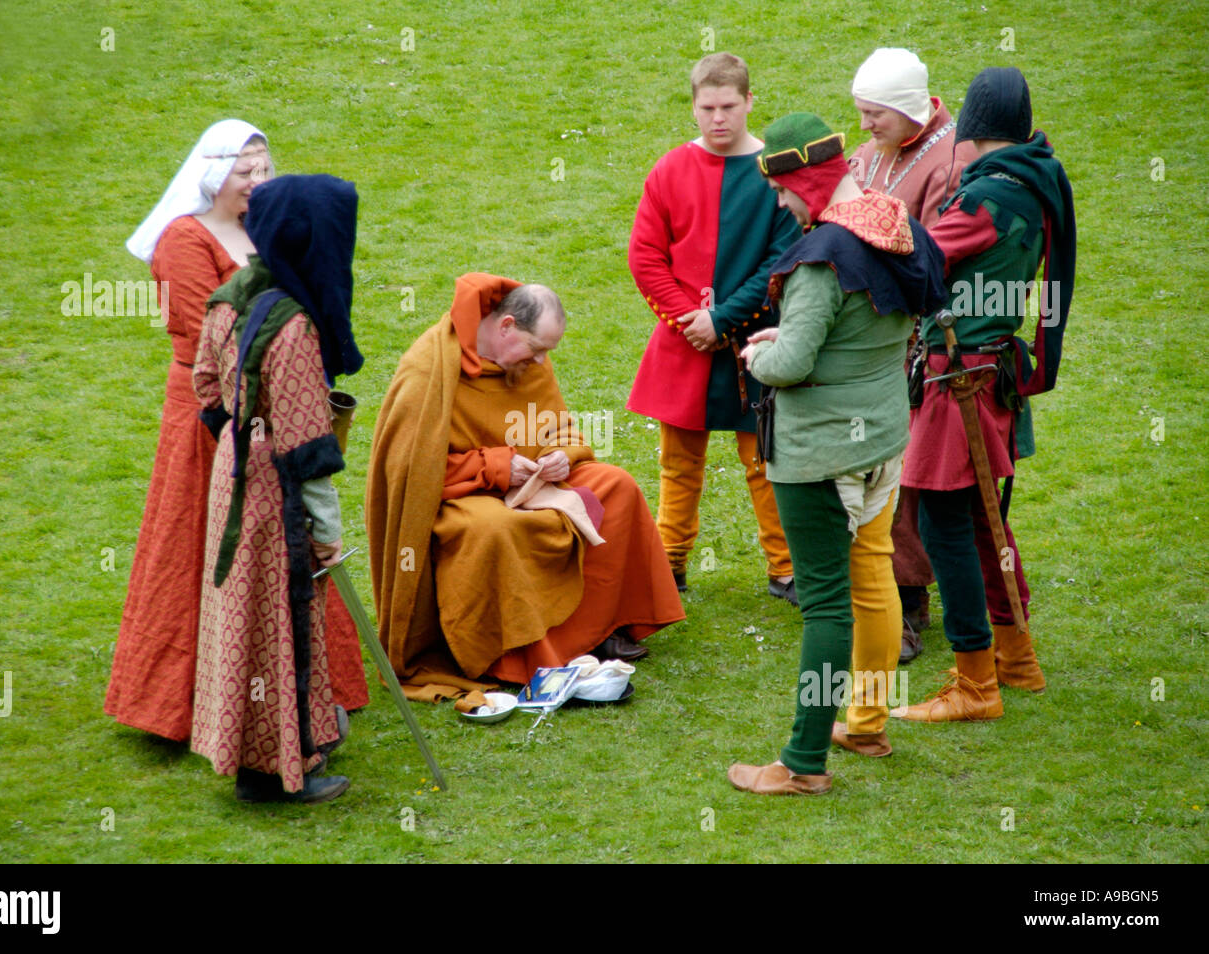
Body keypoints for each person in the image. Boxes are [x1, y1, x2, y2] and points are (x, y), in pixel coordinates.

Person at [106, 122, 367, 743]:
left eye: (264, 171)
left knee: (282, 538)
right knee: (207, 541)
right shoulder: (184, 240)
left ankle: (297, 687)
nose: (257, 183)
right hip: (215, 414)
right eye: (244, 173)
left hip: (272, 401)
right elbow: (212, 344)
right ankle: (181, 700)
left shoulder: (269, 226)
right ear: (212, 175)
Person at [728, 113, 946, 794]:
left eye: (783, 189)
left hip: (821, 458)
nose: (780, 203)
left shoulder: (823, 258)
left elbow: (791, 362)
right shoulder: (899, 227)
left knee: (825, 607)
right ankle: (867, 724)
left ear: (805, 180)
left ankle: (801, 764)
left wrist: (759, 354)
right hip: (883, 445)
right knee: (874, 578)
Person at [366, 274, 684, 704]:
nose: (539, 363)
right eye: (536, 350)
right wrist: (494, 466)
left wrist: (560, 455)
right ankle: (519, 658)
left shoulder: (526, 361)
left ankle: (600, 630)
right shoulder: (430, 367)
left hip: (533, 485)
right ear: (506, 326)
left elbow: (560, 427)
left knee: (617, 486)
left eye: (546, 354)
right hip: (460, 497)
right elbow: (409, 470)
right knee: (496, 528)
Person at [892, 66, 1075, 723]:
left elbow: (913, 254)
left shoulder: (989, 197)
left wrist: (856, 215)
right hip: (986, 373)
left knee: (946, 526)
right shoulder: (1034, 181)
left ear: (973, 124)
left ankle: (974, 683)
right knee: (982, 523)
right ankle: (1014, 658)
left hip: (958, 382)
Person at [190, 174, 364, 802]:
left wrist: (241, 436)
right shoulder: (294, 328)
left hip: (232, 475)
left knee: (244, 618)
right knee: (283, 620)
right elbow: (308, 452)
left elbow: (205, 388)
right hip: (272, 497)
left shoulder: (229, 295)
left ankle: (261, 755)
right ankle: (281, 772)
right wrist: (328, 534)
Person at [626, 52, 803, 604]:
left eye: (729, 106)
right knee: (678, 467)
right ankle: (669, 566)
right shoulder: (669, 170)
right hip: (686, 341)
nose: (718, 118)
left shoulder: (775, 174)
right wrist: (691, 320)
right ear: (694, 106)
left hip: (754, 343)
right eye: (707, 107)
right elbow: (645, 256)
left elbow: (781, 260)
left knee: (765, 460)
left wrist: (721, 321)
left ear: (750, 102)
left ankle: (786, 568)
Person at [848, 48, 979, 663]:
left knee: (904, 478)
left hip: (915, 345)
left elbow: (928, 255)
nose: (866, 126)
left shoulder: (951, 162)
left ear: (905, 108)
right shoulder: (876, 150)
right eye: (861, 113)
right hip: (870, 337)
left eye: (875, 114)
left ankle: (906, 602)